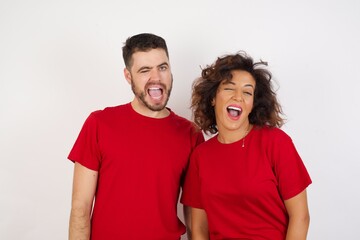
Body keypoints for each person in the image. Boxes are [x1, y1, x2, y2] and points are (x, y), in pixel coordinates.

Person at [67, 33, 204, 240]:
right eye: (144, 70)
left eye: (163, 67)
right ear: (128, 76)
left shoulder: (190, 134)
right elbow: (80, 209)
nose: (156, 77)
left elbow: (195, 217)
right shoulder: (99, 124)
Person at [181, 51, 312, 240]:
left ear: (252, 104)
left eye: (247, 92)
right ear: (213, 97)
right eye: (229, 88)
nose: (238, 96)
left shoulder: (276, 142)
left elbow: (301, 217)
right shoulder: (200, 156)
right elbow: (198, 227)